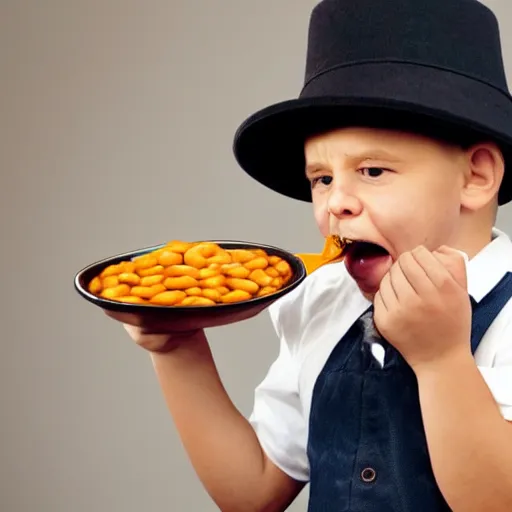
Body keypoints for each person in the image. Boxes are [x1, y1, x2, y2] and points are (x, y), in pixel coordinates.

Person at [105, 0, 512, 510]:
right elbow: (252, 491)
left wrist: (442, 361)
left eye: (372, 171)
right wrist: (176, 350)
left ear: (475, 176)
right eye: (321, 178)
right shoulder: (322, 300)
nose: (334, 202)